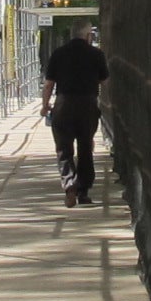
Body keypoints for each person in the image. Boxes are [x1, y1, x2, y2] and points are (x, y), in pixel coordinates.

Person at [40, 25, 109, 208]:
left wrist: (45, 105)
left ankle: (69, 185)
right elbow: (104, 81)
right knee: (86, 147)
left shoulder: (59, 53)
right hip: (87, 104)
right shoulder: (96, 54)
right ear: (87, 35)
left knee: (63, 148)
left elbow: (48, 84)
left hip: (64, 104)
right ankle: (83, 191)